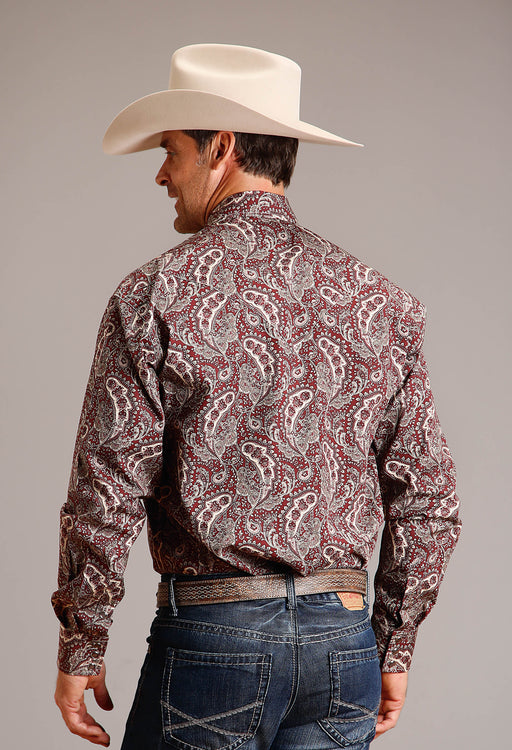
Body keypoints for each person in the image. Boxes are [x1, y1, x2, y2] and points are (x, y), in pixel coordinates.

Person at [52, 44, 461, 749]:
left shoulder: (155, 294)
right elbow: (429, 497)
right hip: (345, 646)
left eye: (171, 150)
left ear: (222, 147)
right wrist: (392, 647)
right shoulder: (381, 301)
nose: (160, 173)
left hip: (216, 641)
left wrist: (81, 641)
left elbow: (107, 486)